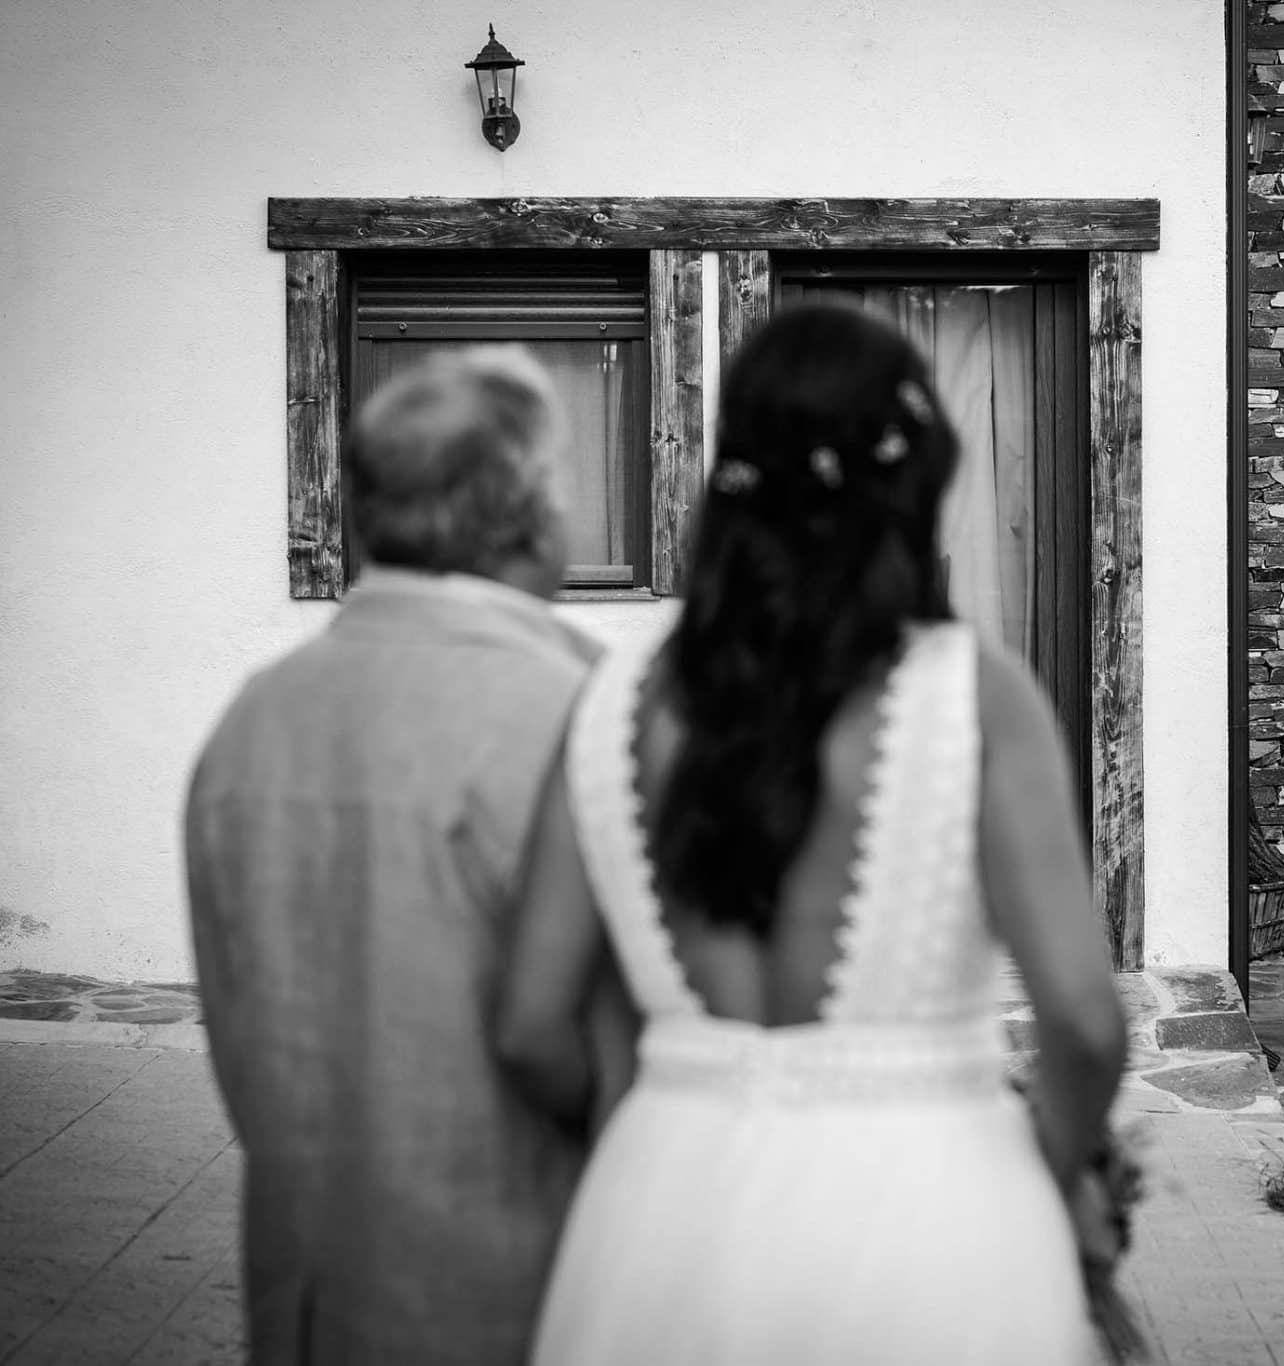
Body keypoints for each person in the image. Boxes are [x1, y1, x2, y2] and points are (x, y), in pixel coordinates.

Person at [495, 304, 1128, 1364]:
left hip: (662, 1213)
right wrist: (1051, 1165)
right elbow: (1082, 1019)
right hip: (932, 1209)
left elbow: (528, 1025)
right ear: (909, 482)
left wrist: (660, 1102)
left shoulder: (607, 702)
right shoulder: (974, 695)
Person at [184, 348, 618, 1364]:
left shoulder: (253, 721)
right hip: (525, 1295)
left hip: (306, 1292)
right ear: (529, 510)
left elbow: (240, 1013)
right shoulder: (582, 714)